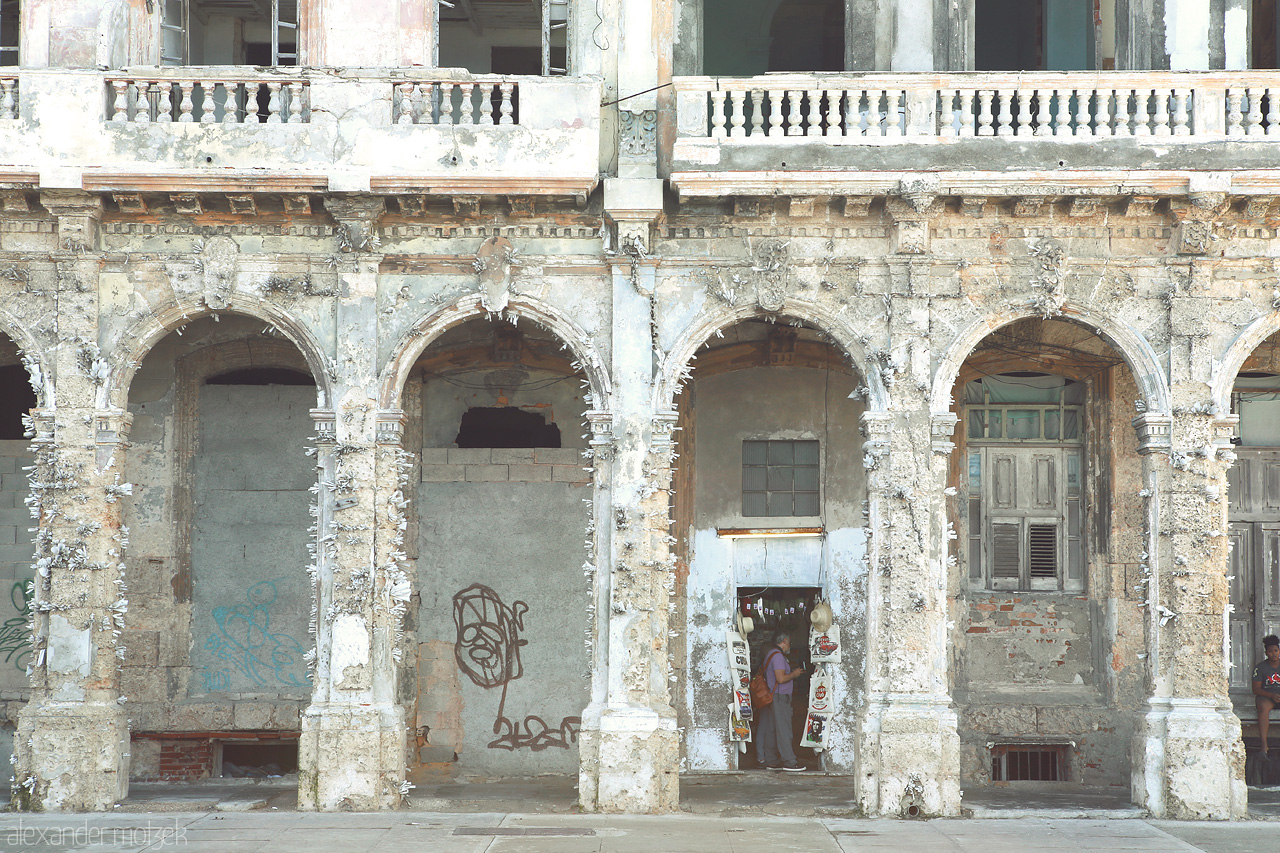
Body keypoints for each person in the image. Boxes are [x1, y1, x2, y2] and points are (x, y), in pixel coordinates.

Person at [755, 631, 806, 772]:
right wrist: (794, 674)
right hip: (779, 696)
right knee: (784, 730)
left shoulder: (771, 654)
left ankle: (771, 760)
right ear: (783, 641)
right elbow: (781, 678)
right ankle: (789, 761)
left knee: (771, 730)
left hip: (773, 696)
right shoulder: (777, 656)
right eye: (789, 643)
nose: (790, 646)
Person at [1254, 634, 1280, 758]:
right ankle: (1264, 745)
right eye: (1270, 651)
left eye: (1276, 650)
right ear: (1266, 653)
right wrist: (1271, 695)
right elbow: (1256, 689)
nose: (1273, 654)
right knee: (1263, 707)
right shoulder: (1260, 668)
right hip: (1267, 697)